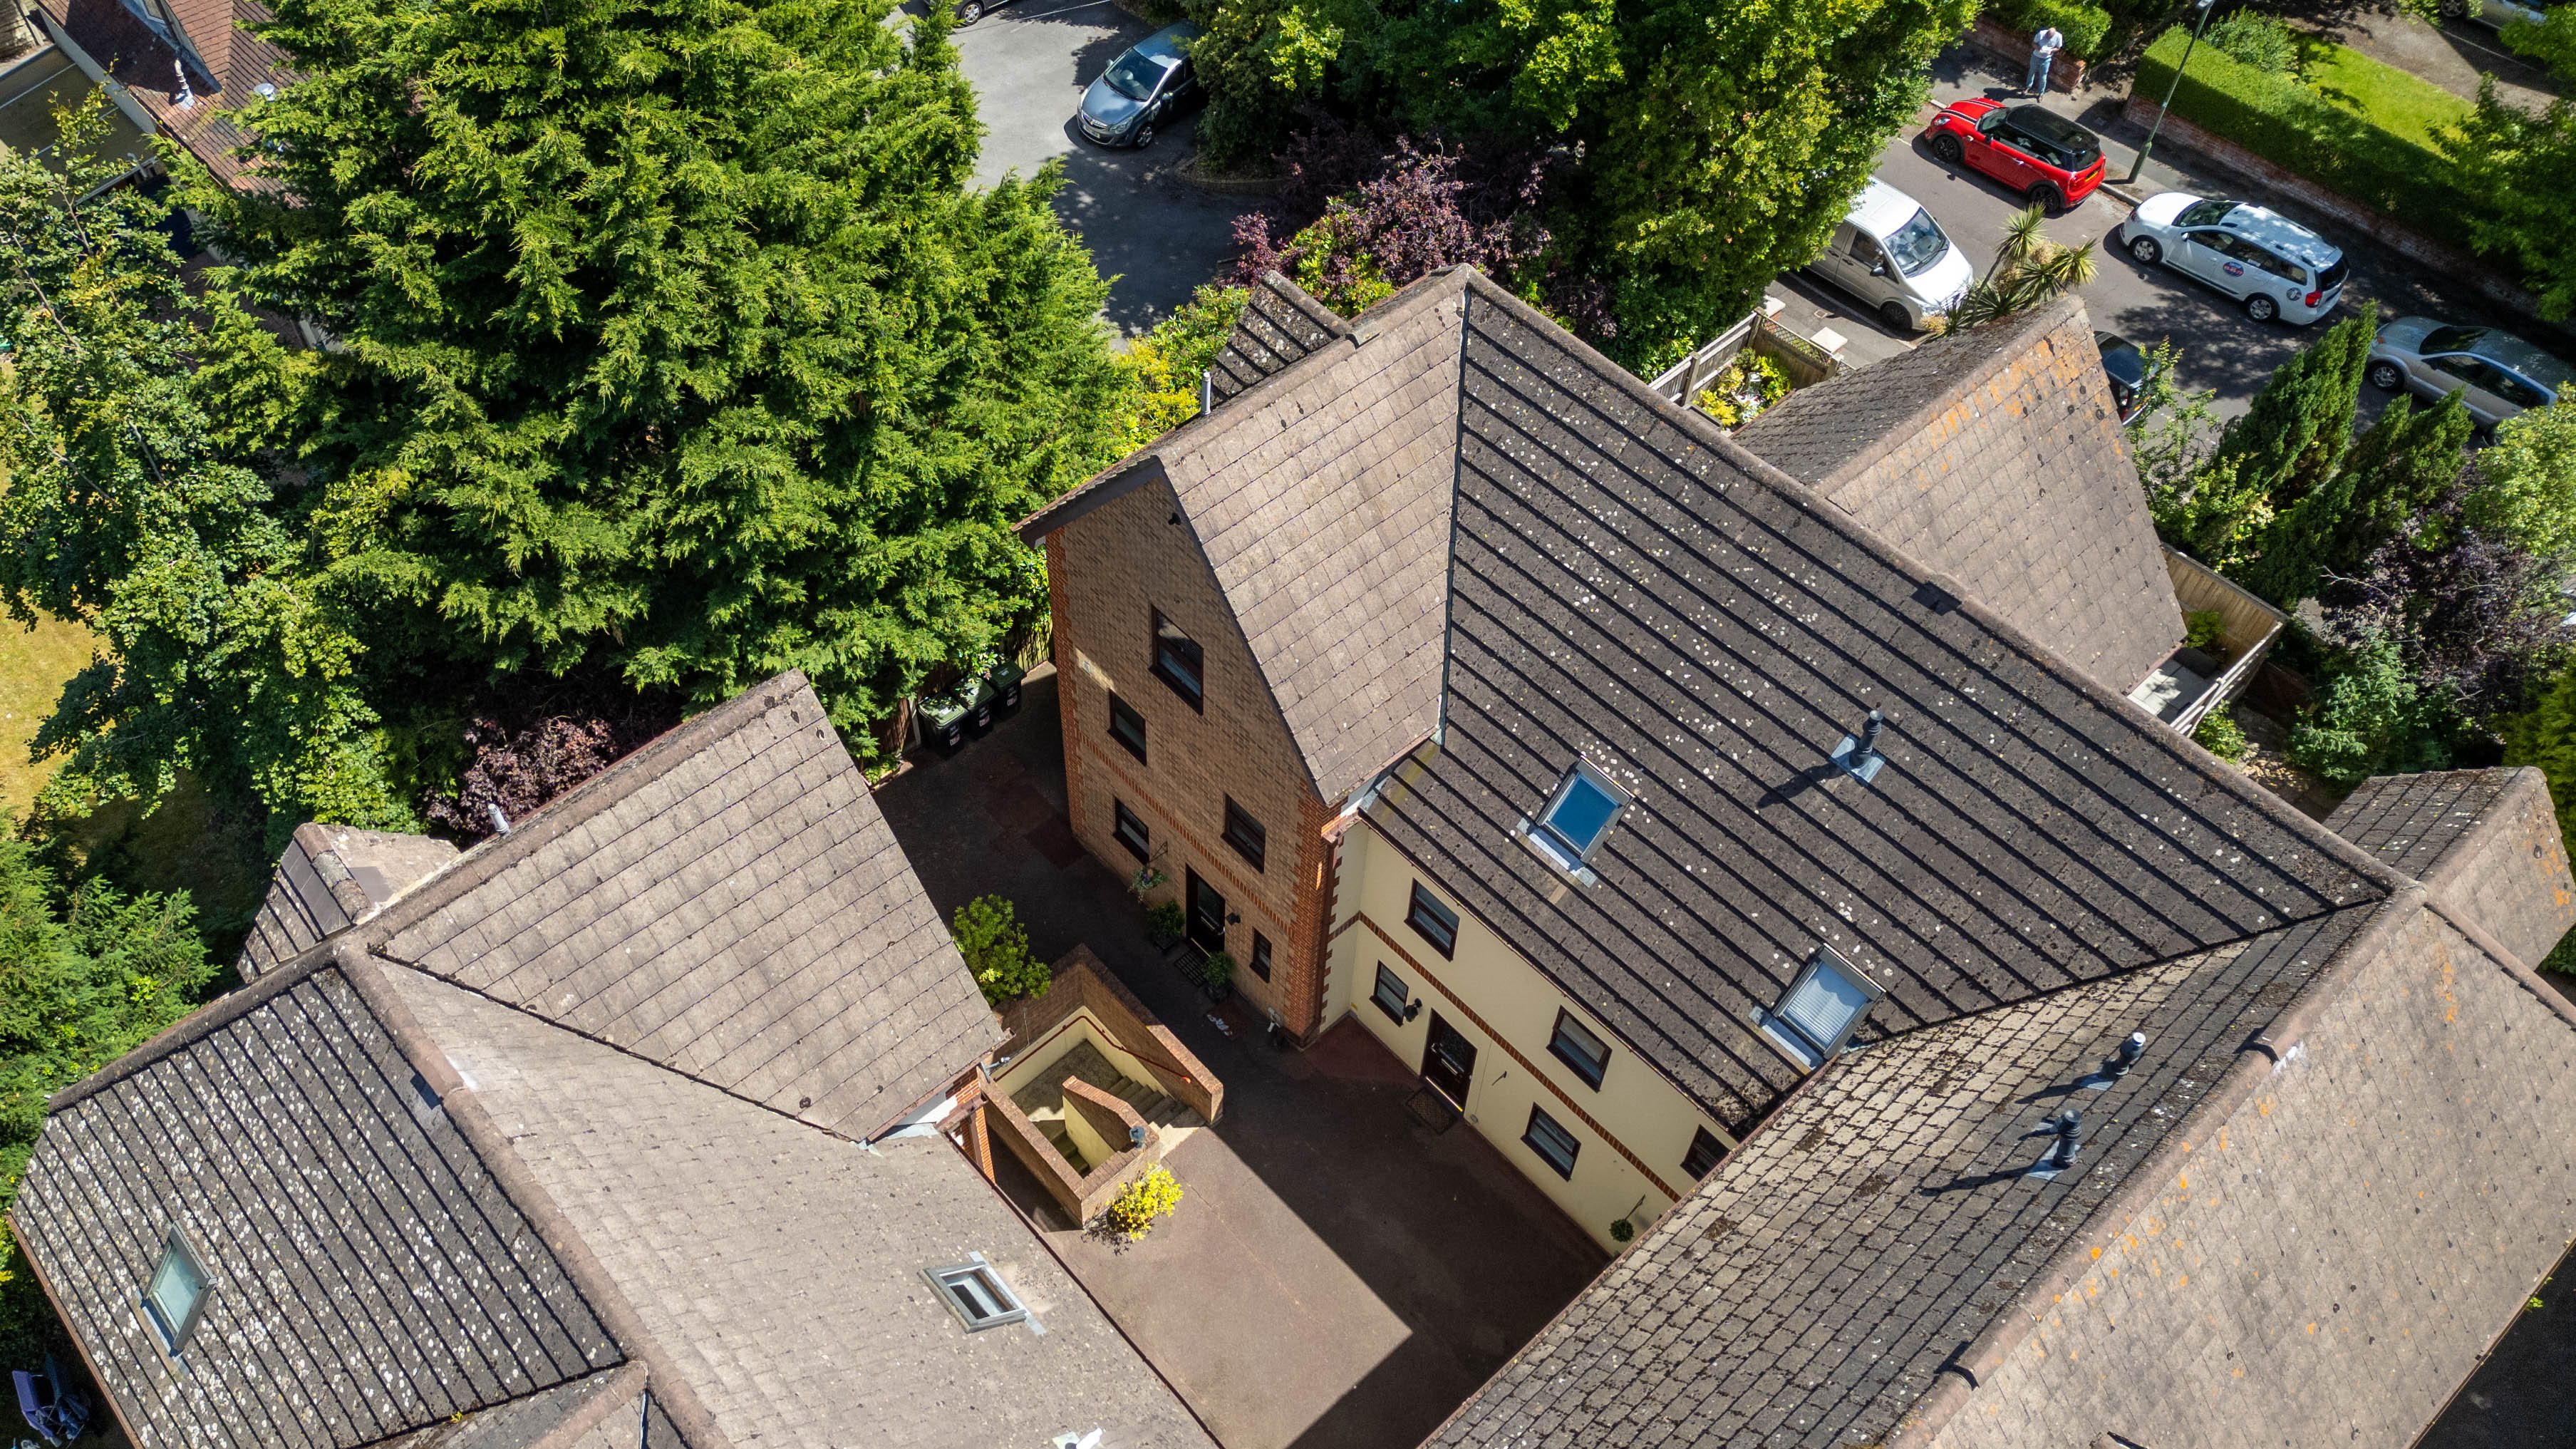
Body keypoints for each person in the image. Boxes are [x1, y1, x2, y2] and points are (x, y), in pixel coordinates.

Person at [2027, 24, 2064, 94]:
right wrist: (2038, 49)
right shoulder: (2041, 34)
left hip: (2046, 59)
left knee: (2043, 77)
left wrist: (2051, 51)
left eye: (2050, 37)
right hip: (2036, 56)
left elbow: (2058, 48)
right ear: (2047, 32)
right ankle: (2028, 87)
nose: (2047, 37)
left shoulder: (2059, 36)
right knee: (2031, 72)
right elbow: (2033, 43)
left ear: (2054, 35)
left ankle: (2041, 93)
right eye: (2047, 35)